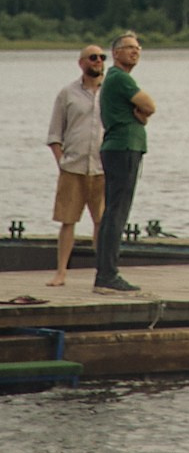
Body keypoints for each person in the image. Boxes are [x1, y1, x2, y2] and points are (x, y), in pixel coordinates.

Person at [92, 31, 155, 292]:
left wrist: (139, 113)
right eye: (129, 47)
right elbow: (149, 106)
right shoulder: (119, 78)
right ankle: (107, 275)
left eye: (138, 47)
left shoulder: (121, 80)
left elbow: (144, 113)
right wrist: (140, 112)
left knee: (114, 212)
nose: (135, 51)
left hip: (122, 147)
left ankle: (106, 273)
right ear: (115, 53)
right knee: (116, 213)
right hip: (123, 147)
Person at [46, 45, 107, 285]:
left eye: (102, 58)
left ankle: (103, 272)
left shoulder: (110, 91)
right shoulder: (67, 94)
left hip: (103, 167)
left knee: (102, 222)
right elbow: (54, 134)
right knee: (67, 220)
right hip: (73, 167)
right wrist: (62, 161)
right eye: (93, 58)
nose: (98, 62)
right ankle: (61, 271)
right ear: (81, 63)